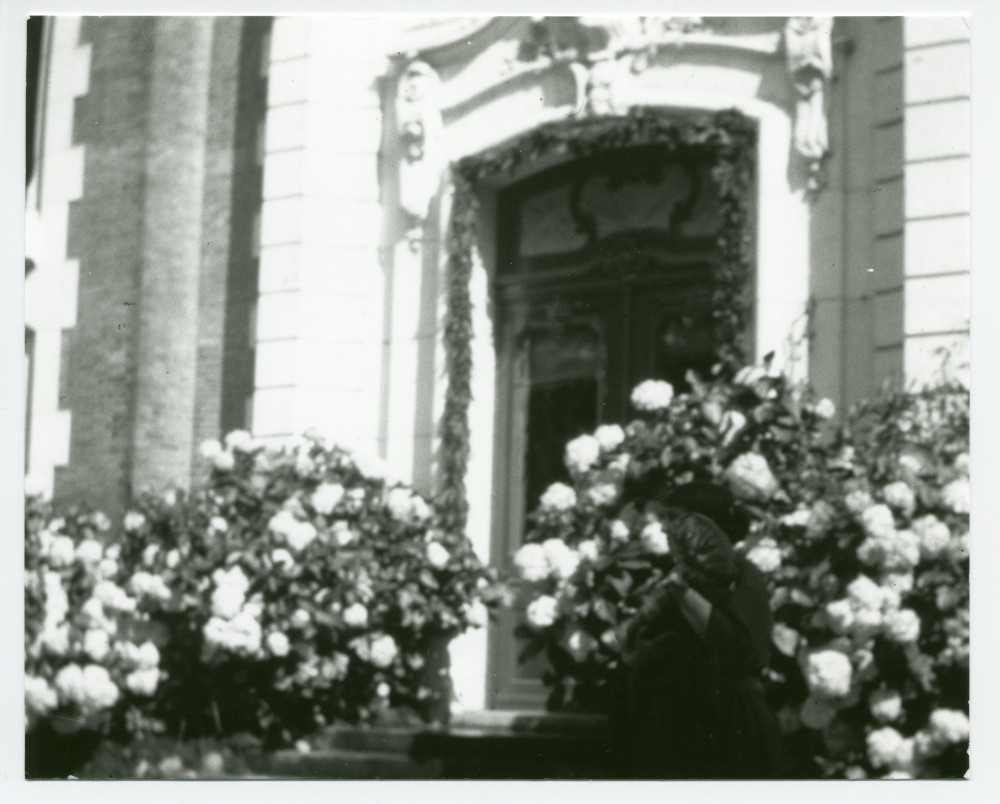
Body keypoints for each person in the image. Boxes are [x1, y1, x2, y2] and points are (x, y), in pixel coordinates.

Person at [613, 483, 784, 779]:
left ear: (706, 525)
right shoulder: (677, 575)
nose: (665, 529)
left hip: (724, 730)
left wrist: (682, 594)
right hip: (671, 726)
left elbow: (738, 651)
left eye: (675, 518)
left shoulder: (743, 576)